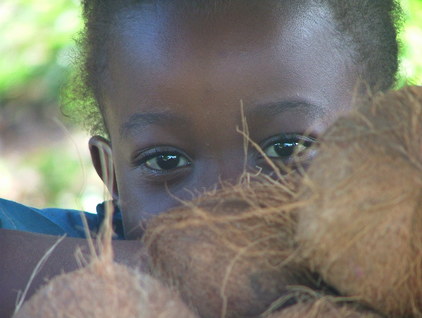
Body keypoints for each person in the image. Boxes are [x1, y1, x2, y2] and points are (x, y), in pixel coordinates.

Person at [0, 0, 402, 316]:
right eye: (166, 161)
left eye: (287, 149)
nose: (225, 203)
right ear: (112, 175)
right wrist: (210, 274)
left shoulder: (403, 261)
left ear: (382, 143)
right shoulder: (65, 253)